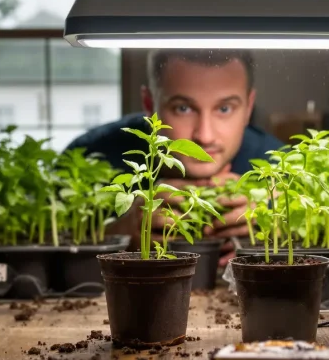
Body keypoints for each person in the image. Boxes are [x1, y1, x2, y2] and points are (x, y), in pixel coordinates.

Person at [65, 49, 283, 267]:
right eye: (183, 108)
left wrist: (279, 230)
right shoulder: (87, 158)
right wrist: (119, 234)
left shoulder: (280, 164)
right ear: (149, 104)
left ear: (249, 107)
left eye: (224, 109)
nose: (205, 136)